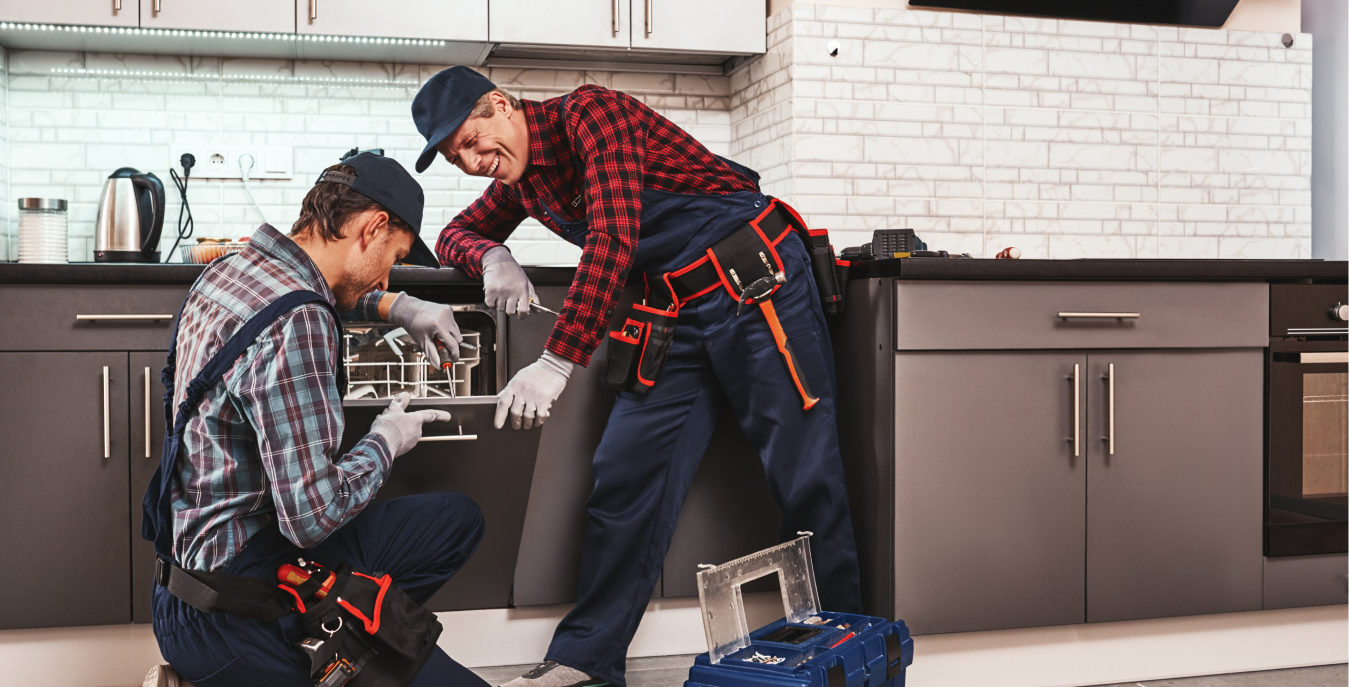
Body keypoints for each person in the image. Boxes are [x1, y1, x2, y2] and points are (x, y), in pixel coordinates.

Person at [412, 67, 863, 687]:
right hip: (671, 312)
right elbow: (452, 232)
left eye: (469, 140)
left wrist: (554, 362)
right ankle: (587, 660)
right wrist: (491, 252)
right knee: (625, 474)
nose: (470, 162)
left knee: (804, 473)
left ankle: (844, 653)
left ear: (499, 104)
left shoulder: (591, 116)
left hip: (755, 286)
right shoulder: (524, 183)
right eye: (455, 156)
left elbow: (612, 240)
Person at [143, 152, 488, 687]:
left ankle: (331, 644)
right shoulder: (301, 323)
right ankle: (294, 659)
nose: (387, 274)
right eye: (392, 257)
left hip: (180, 590)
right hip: (238, 613)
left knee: (454, 520)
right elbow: (312, 518)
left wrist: (394, 306)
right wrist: (386, 440)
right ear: (373, 227)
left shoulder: (233, 269)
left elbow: (306, 294)